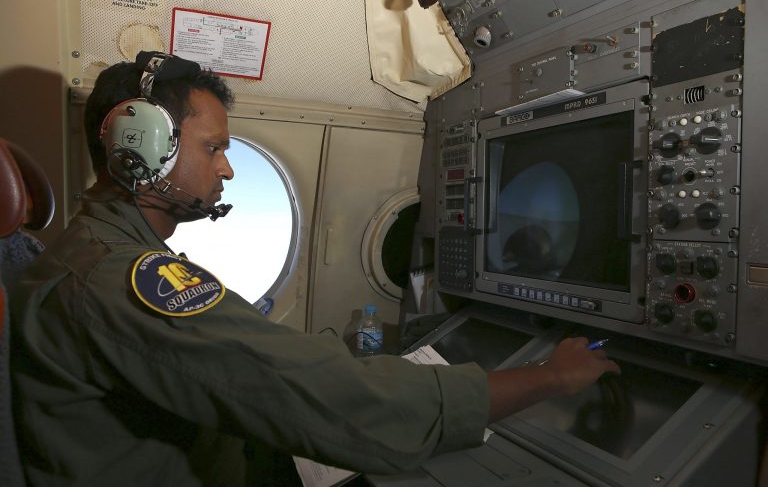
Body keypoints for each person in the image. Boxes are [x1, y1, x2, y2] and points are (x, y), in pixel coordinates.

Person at [10, 51, 620, 486]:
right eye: (213, 147)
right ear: (140, 147)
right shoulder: (117, 279)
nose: (226, 170)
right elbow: (329, 396)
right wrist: (549, 379)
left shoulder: (98, 253)